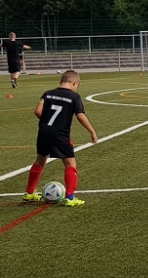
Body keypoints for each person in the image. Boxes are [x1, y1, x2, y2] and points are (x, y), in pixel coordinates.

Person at [21, 69, 98, 206]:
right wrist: (92, 131)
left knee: (40, 160)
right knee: (70, 164)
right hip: (60, 134)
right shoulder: (74, 97)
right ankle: (70, 198)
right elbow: (80, 115)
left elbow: (37, 111)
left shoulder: (48, 94)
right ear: (74, 83)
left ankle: (29, 192)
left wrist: (47, 123)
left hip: (44, 132)